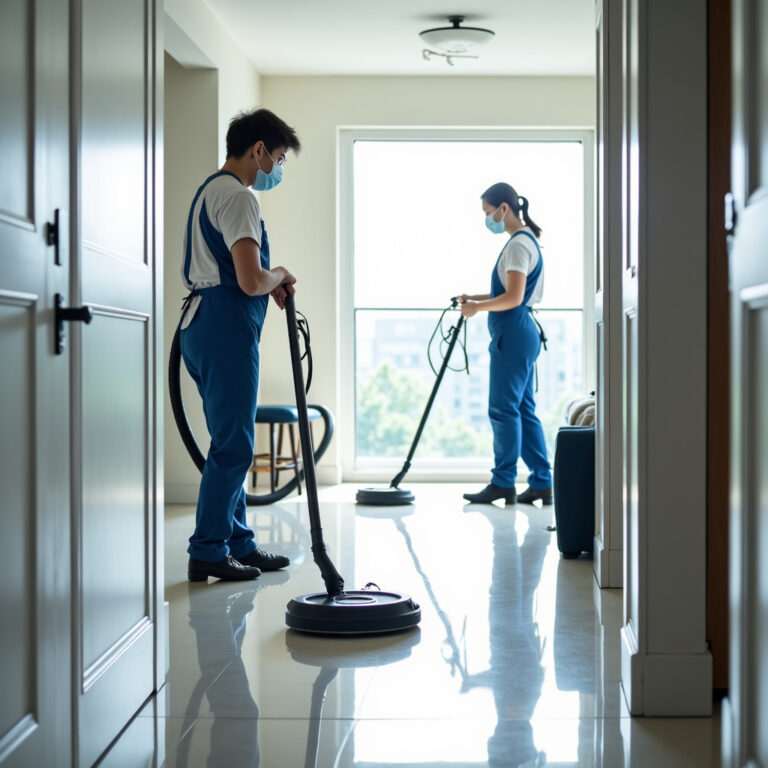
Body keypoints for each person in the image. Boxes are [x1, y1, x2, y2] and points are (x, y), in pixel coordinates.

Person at [180, 108, 301, 582]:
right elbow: (251, 280)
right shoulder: (238, 198)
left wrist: (263, 281)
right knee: (234, 446)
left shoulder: (209, 190)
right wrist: (281, 275)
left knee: (228, 441)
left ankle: (238, 543)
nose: (278, 167)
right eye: (279, 157)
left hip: (201, 325)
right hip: (224, 327)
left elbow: (235, 273)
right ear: (259, 151)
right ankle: (208, 549)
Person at [460, 182, 552, 506]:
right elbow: (513, 293)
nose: (488, 219)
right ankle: (542, 481)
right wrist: (475, 297)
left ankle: (503, 482)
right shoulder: (526, 241)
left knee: (503, 410)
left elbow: (513, 298)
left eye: (488, 212)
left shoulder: (517, 245)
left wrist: (477, 308)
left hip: (513, 333)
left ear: (504, 209)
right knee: (523, 411)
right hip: (520, 332)